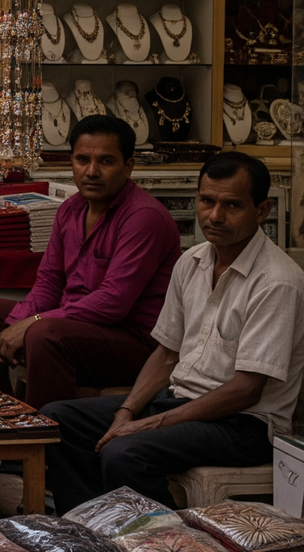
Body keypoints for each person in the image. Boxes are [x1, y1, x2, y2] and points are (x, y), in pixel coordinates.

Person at [42, 152, 304, 513]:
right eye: (207, 201)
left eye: (232, 205)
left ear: (262, 210)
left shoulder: (277, 282)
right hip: (181, 400)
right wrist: (127, 411)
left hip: (245, 425)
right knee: (58, 420)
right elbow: (166, 353)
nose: (215, 215)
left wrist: (150, 423)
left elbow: (247, 389)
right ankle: (92, 528)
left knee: (125, 453)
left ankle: (163, 539)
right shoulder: (192, 261)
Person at [0, 115, 182, 408]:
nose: (91, 171)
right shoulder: (70, 209)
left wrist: (34, 322)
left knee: (44, 335)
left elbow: (112, 303)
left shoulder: (143, 218)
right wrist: (15, 325)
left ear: (129, 166)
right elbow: (49, 282)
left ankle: (42, 442)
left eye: (106, 161)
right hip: (73, 324)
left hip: (132, 343)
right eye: (82, 159)